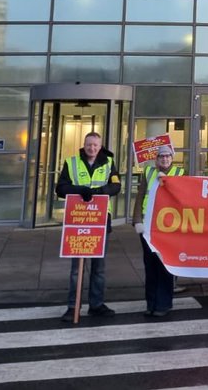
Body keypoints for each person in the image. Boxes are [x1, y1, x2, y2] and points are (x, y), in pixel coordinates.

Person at [56, 131, 120, 322]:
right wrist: (80, 191)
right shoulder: (72, 162)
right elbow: (60, 188)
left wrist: (100, 192)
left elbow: (116, 186)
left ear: (100, 146)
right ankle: (72, 307)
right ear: (84, 145)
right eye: (89, 144)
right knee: (77, 269)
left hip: (100, 220)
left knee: (98, 267)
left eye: (95, 145)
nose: (92, 148)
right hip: (78, 221)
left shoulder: (108, 163)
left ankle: (96, 305)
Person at [132, 144, 184, 317]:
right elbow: (140, 198)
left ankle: (163, 304)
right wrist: (137, 220)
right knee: (150, 265)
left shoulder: (180, 174)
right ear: (157, 159)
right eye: (161, 157)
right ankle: (151, 303)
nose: (165, 159)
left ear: (172, 158)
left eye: (168, 156)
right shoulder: (148, 173)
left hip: (169, 227)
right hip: (148, 225)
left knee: (165, 265)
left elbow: (186, 199)